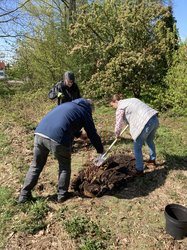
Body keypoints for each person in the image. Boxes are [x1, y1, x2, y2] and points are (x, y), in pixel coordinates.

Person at [18, 98, 104, 203]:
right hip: (58, 138)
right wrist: (100, 150)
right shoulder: (85, 111)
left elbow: (66, 121)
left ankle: (23, 196)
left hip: (39, 134)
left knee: (36, 166)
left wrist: (80, 135)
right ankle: (62, 195)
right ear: (90, 108)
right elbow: (92, 134)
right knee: (64, 167)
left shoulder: (68, 105)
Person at [110, 94, 159, 176]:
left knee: (137, 147)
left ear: (115, 101)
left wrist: (117, 134)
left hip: (146, 123)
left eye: (112, 105)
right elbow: (136, 113)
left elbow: (118, 124)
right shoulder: (132, 99)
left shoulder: (120, 107)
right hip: (154, 119)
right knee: (149, 140)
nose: (113, 107)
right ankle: (152, 160)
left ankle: (139, 170)